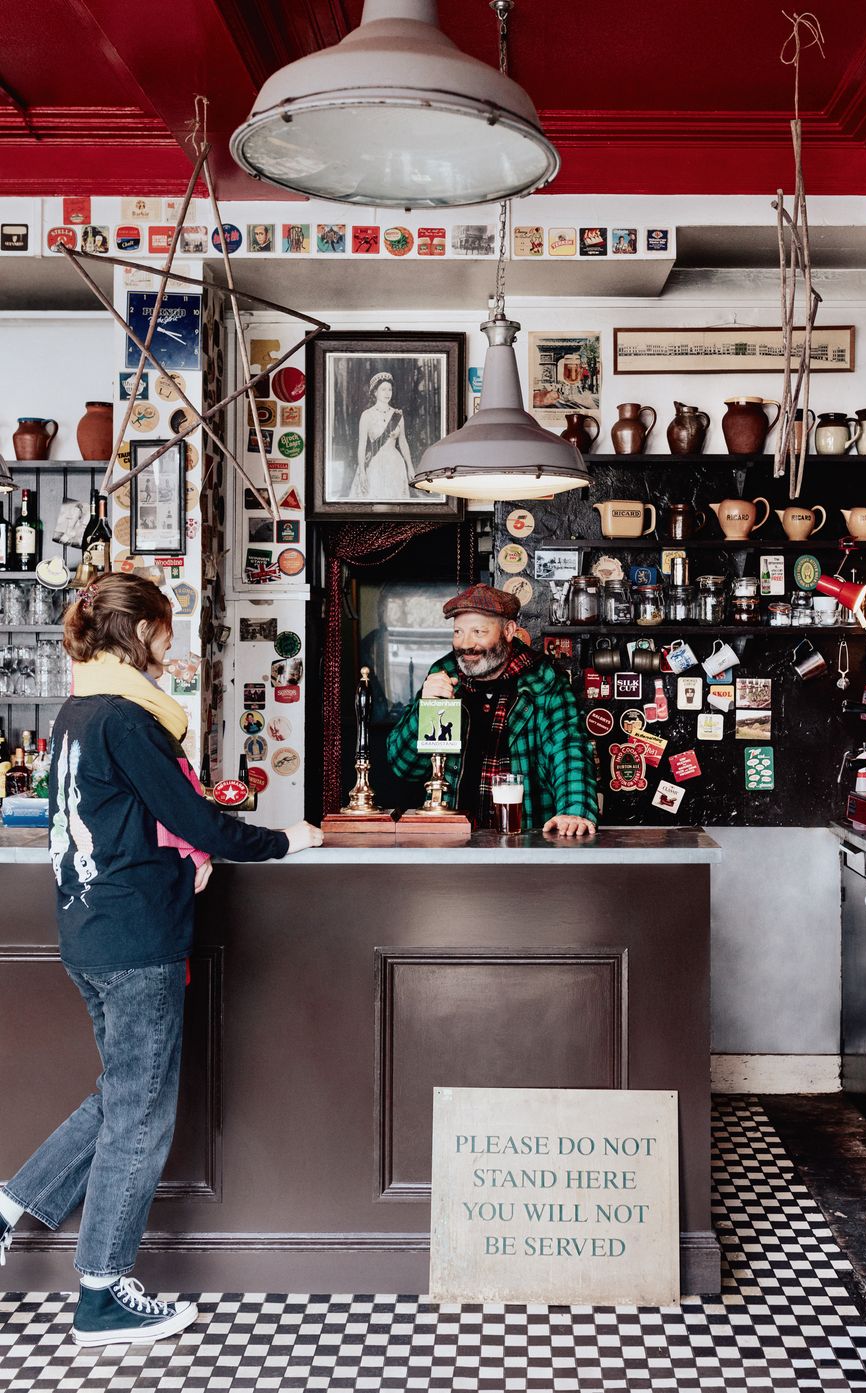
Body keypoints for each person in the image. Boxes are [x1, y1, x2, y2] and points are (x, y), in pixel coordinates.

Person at [0, 573, 323, 1346]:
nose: (171, 643)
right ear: (141, 630)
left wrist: (183, 859)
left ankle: (7, 1208)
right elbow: (197, 820)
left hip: (89, 933)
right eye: (165, 629)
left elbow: (116, 823)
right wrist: (288, 839)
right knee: (141, 1115)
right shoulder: (128, 718)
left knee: (122, 1097)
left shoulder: (79, 712)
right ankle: (101, 1293)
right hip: (135, 941)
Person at [387, 583, 598, 836]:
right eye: (458, 632)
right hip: (451, 837)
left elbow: (568, 748)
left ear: (508, 631)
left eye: (478, 631)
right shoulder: (443, 675)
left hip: (524, 837)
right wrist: (425, 709)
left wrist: (574, 810)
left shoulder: (544, 679)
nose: (465, 644)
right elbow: (405, 767)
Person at [351, 372, 415, 499]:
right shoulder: (367, 415)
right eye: (383, 389)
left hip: (395, 465)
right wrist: (362, 472)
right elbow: (362, 446)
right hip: (374, 465)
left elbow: (403, 442)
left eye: (389, 389)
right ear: (375, 392)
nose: (387, 393)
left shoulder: (397, 415)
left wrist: (410, 467)